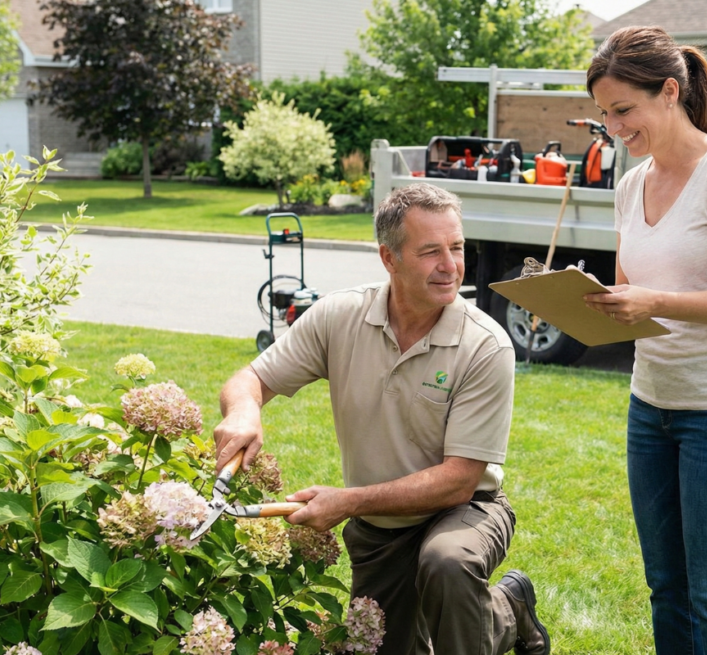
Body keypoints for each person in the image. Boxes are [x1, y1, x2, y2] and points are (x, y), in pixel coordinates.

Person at [213, 183, 551, 655]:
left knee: (446, 564)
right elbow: (250, 378)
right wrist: (246, 409)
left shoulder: (485, 345)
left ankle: (492, 614)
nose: (450, 266)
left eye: (456, 248)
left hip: (466, 509)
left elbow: (459, 480)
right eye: (430, 251)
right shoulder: (339, 316)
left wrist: (347, 501)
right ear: (388, 259)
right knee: (381, 646)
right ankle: (504, 610)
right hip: (380, 531)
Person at [583, 26, 707, 655]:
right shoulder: (630, 186)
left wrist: (655, 301)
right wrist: (591, 301)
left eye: (623, 110)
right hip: (652, 407)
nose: (613, 127)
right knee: (667, 585)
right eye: (604, 114)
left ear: (670, 92)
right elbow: (630, 289)